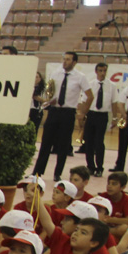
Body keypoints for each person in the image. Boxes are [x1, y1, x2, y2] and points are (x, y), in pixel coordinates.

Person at [33, 51, 92, 181]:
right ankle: (37, 172)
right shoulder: (55, 73)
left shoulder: (80, 77)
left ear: (74, 62)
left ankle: (57, 173)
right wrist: (49, 100)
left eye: (68, 59)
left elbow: (90, 96)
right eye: (64, 59)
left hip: (68, 112)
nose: (65, 62)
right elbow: (50, 92)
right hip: (54, 110)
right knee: (46, 142)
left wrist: (83, 112)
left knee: (63, 145)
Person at [84, 62, 115, 177]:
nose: (102, 73)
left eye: (104, 71)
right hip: (91, 114)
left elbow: (114, 102)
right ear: (96, 72)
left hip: (102, 116)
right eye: (100, 71)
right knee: (88, 142)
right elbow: (85, 100)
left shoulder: (112, 86)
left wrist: (115, 118)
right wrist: (82, 114)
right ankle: (90, 166)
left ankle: (100, 167)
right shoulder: (90, 84)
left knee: (99, 142)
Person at [98, 171, 128, 241]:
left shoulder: (126, 200)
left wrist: (111, 220)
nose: (109, 186)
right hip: (103, 225)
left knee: (124, 228)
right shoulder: (102, 196)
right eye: (108, 183)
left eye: (114, 184)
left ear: (123, 187)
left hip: (115, 228)